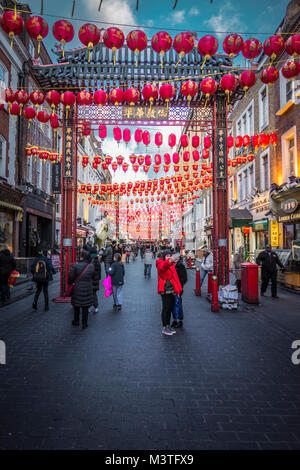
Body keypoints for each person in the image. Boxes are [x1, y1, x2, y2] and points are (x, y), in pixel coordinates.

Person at [156, 250, 182, 336]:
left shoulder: (172, 265)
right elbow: (163, 267)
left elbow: (175, 278)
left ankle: (168, 326)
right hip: (165, 289)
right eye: (167, 256)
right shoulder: (159, 262)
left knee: (170, 308)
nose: (168, 257)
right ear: (163, 257)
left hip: (172, 289)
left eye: (170, 255)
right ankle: (164, 327)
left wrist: (178, 290)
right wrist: (170, 261)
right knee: (166, 308)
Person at [68, 251, 95, 328]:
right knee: (85, 307)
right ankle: (84, 323)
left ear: (82, 257)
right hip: (88, 289)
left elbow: (70, 279)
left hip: (77, 289)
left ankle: (76, 321)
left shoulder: (76, 266)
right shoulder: (91, 266)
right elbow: (94, 277)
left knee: (77, 306)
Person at [172, 254, 188, 328]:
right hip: (171, 288)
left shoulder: (181, 266)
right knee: (172, 305)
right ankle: (175, 319)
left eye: (177, 257)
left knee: (178, 304)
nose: (175, 259)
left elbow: (184, 278)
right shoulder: (171, 265)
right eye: (174, 257)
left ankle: (180, 320)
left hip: (178, 288)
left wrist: (180, 285)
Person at [90, 246, 101, 313]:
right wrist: (98, 279)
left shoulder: (88, 259)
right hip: (96, 279)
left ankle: (88, 307)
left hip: (89, 279)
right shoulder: (97, 260)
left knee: (88, 294)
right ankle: (96, 307)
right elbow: (99, 271)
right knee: (94, 294)